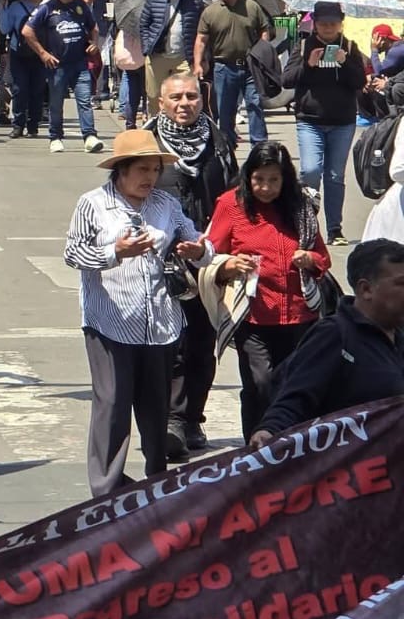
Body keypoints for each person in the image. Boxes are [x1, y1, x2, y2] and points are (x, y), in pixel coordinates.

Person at [64, 129, 212, 497]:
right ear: (121, 170)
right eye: (142, 169)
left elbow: (196, 241)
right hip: (109, 322)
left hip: (160, 321)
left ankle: (156, 480)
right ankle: (106, 487)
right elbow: (73, 254)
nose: (150, 177)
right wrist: (116, 252)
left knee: (155, 405)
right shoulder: (93, 204)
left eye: (155, 169)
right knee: (112, 405)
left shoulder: (165, 205)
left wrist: (197, 251)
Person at [206, 141, 331, 442]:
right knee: (259, 384)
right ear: (248, 176)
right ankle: (255, 450)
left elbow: (322, 259)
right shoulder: (230, 204)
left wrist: (309, 259)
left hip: (300, 316)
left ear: (285, 178)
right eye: (259, 179)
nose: (265, 187)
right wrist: (230, 265)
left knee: (295, 385)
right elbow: (209, 254)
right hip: (252, 316)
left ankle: (291, 449)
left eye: (274, 180)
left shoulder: (300, 206)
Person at [142, 71, 237, 458]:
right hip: (156, 258)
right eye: (176, 98)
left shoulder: (217, 140)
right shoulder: (145, 141)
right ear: (161, 102)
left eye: (192, 97)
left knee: (201, 340)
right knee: (171, 344)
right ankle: (170, 420)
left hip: (206, 255)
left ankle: (192, 417)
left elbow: (232, 196)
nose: (185, 104)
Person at [249, 238, 404, 446]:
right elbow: (296, 397)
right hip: (349, 470)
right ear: (366, 289)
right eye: (402, 283)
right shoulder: (334, 335)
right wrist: (269, 431)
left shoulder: (398, 337)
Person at [284, 0, 367, 245]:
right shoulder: (302, 45)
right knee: (310, 171)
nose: (328, 27)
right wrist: (307, 65)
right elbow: (286, 80)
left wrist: (346, 62)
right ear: (315, 24)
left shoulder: (350, 47)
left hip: (342, 122)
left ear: (341, 24)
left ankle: (334, 229)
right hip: (310, 120)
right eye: (323, 23)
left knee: (334, 176)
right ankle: (307, 224)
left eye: (333, 23)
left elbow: (360, 82)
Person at [23, 0, 105, 155]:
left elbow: (94, 27)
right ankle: (55, 137)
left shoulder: (80, 4)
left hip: (80, 62)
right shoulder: (47, 7)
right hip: (57, 65)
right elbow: (27, 31)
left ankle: (90, 136)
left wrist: (94, 43)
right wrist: (43, 53)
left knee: (84, 100)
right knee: (56, 102)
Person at [193, 0, 271, 150]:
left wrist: (262, 50)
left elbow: (264, 29)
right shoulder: (210, 11)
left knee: (255, 104)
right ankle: (226, 147)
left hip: (251, 65)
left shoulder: (252, 7)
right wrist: (198, 63)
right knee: (225, 110)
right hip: (223, 67)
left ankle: (260, 147)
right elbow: (201, 39)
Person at [139, 0, 203, 107]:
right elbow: (144, 25)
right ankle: (155, 126)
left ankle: (182, 127)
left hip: (184, 58)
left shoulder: (195, 1)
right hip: (157, 55)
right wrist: (146, 47)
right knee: (155, 97)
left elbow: (201, 30)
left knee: (185, 95)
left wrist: (201, 58)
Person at [1, 0, 47, 138]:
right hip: (18, 53)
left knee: (37, 90)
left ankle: (33, 125)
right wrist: (4, 8)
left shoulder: (48, 7)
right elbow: (5, 29)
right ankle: (18, 125)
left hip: (40, 55)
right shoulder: (15, 7)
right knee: (19, 89)